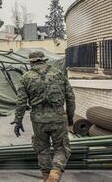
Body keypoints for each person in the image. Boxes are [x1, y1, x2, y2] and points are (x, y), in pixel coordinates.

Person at [12, 51, 75, 182]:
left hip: (38, 120)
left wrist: (18, 120)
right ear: (44, 60)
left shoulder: (26, 77)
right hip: (58, 117)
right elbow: (70, 97)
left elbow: (21, 102)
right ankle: (55, 173)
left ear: (31, 62)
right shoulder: (58, 74)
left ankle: (47, 177)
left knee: (42, 149)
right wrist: (70, 117)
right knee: (62, 149)